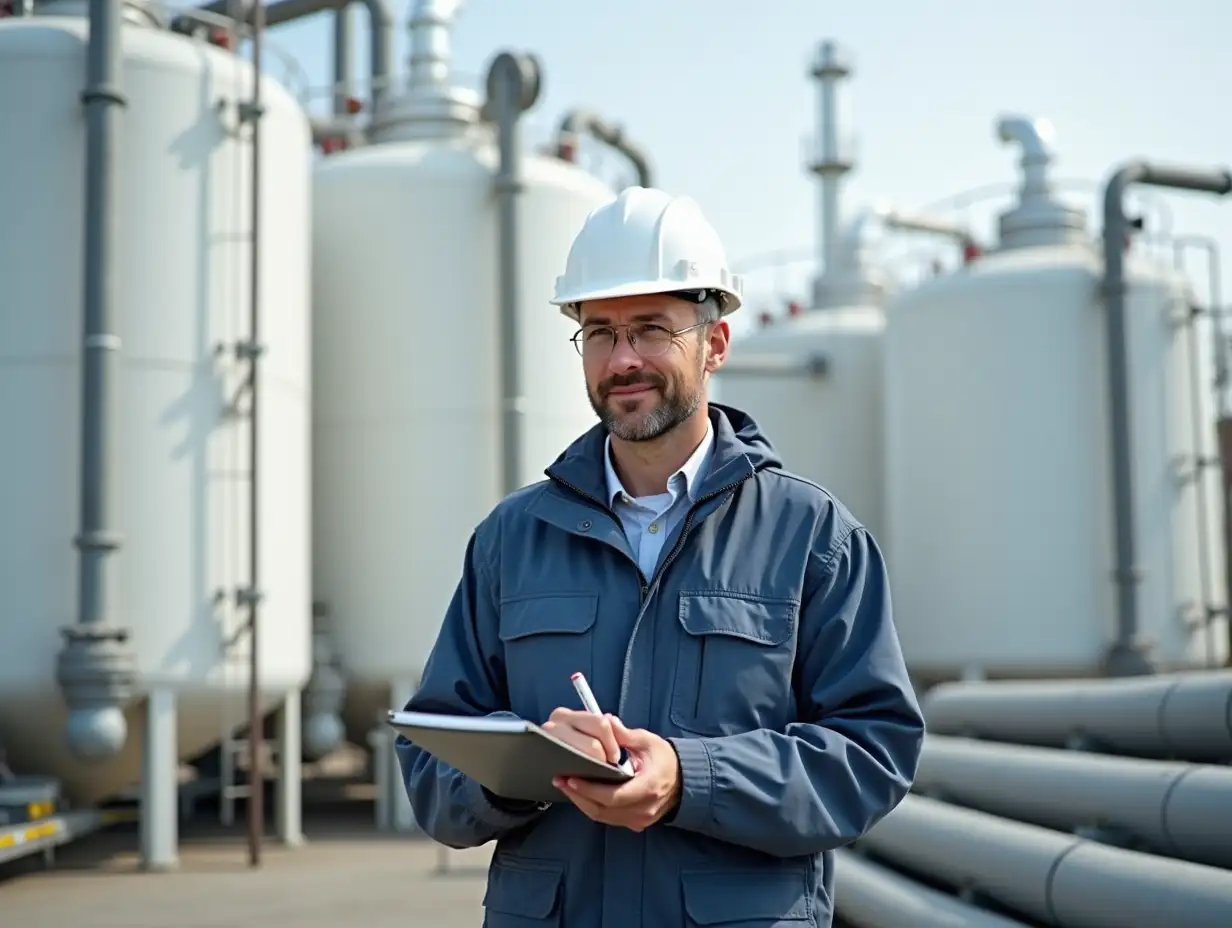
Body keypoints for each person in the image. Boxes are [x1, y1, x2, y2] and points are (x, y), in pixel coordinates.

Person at [396, 186, 925, 927]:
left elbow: (873, 755)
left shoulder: (814, 536)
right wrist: (523, 774)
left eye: (651, 330)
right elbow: (429, 761)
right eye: (601, 333)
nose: (624, 360)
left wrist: (691, 778)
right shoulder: (510, 542)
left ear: (714, 344)